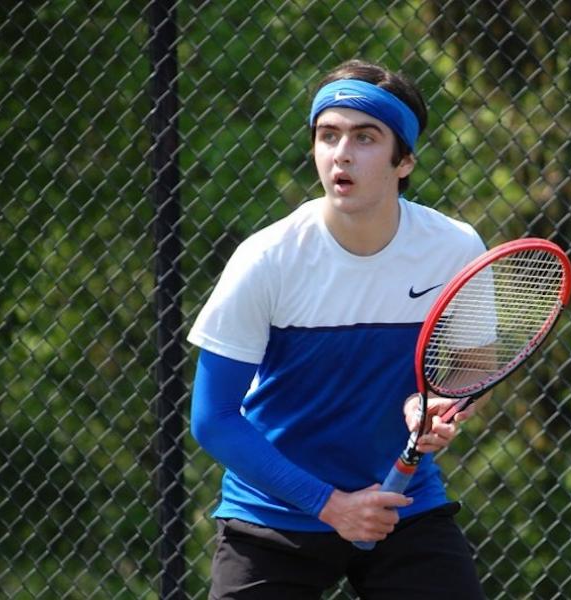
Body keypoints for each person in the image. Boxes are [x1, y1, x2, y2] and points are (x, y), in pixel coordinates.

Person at [188, 59, 487, 599]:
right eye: (328, 135)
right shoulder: (267, 259)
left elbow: (473, 365)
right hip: (276, 513)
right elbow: (213, 420)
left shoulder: (455, 250)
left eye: (366, 137)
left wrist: (439, 404)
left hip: (403, 508)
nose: (342, 153)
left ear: (405, 160)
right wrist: (330, 506)